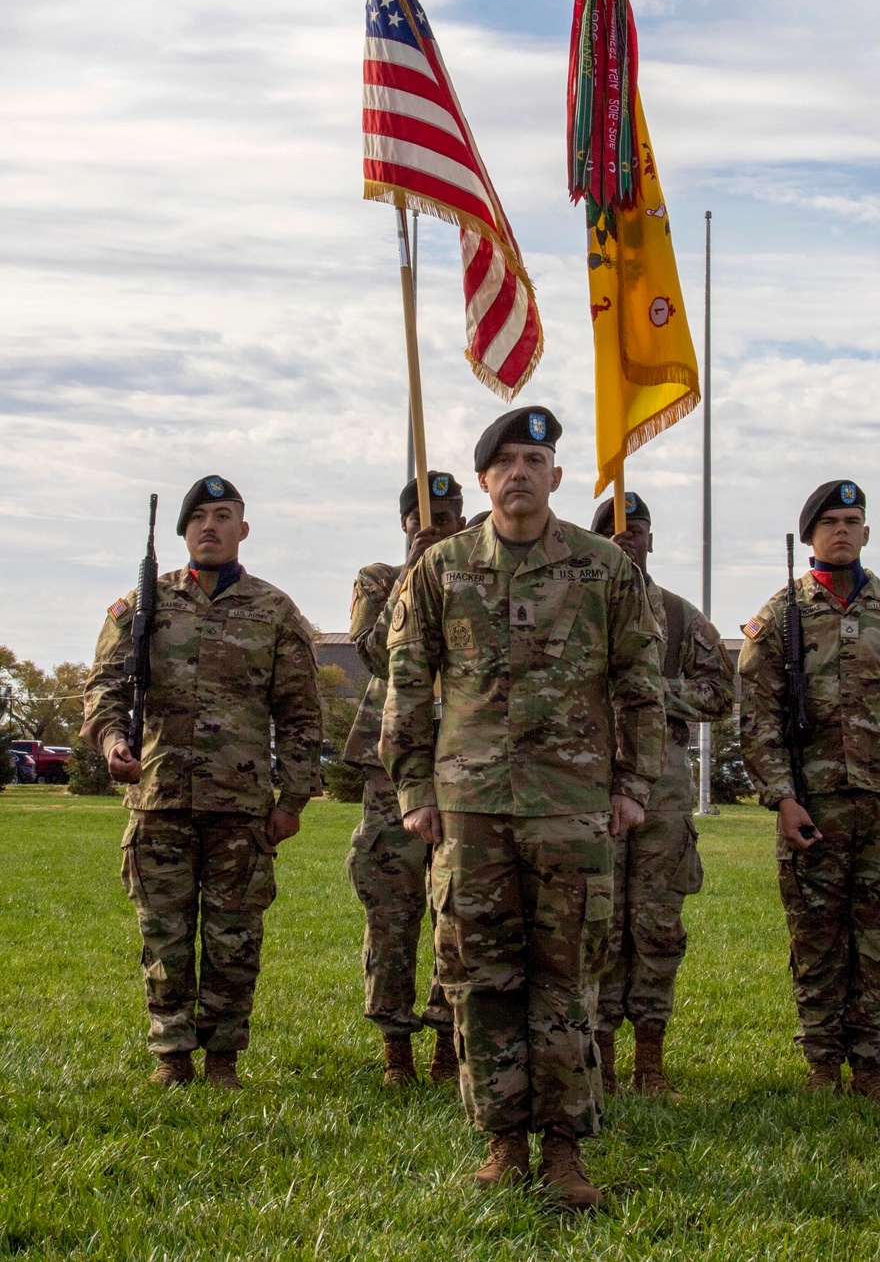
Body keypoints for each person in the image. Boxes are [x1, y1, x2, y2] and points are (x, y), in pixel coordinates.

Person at [380, 407, 665, 1209]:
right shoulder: (438, 571)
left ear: (557, 476)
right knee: (480, 976)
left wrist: (633, 788)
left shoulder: (604, 568)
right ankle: (504, 1142)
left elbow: (641, 686)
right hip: (469, 806)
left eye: (533, 459)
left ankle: (567, 1153)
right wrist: (412, 791)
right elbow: (408, 685)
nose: (518, 474)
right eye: (503, 461)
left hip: (570, 808)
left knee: (568, 979)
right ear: (482, 480)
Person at [83, 475, 322, 1089]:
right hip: (158, 802)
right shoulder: (142, 606)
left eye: (222, 516)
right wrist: (113, 742)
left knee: (234, 939)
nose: (209, 527)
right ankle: (171, 1056)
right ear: (182, 532)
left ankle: (222, 1061)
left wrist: (292, 799)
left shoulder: (275, 611)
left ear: (243, 529)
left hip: (241, 808)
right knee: (163, 938)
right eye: (198, 519)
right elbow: (104, 691)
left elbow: (299, 713)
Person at [738, 480, 880, 1103]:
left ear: (866, 531)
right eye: (829, 521)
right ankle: (821, 1062)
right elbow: (757, 718)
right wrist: (781, 798)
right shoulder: (780, 617)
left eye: (852, 520)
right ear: (809, 536)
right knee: (816, 936)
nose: (841, 530)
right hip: (815, 804)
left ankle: (871, 1066)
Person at [590, 492, 734, 1097]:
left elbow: (720, 694)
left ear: (652, 539)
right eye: (613, 530)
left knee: (656, 926)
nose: (627, 539)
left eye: (637, 529)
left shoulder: (678, 616)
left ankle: (650, 1061)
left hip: (664, 790)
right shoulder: (576, 605)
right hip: (591, 781)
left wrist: (652, 691)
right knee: (594, 922)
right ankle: (597, 1059)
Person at [343, 471, 465, 1086]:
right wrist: (410, 580)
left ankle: (447, 1041)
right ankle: (396, 1047)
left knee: (459, 905)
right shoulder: (377, 580)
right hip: (393, 763)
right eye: (423, 519)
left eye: (446, 519)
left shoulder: (473, 578)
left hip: (465, 760)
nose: (434, 528)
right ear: (404, 525)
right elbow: (370, 651)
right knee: (392, 909)